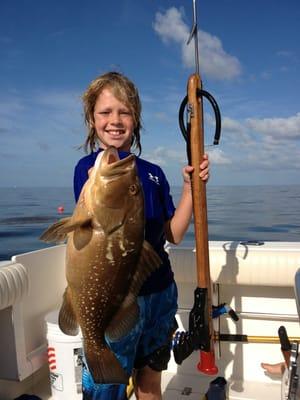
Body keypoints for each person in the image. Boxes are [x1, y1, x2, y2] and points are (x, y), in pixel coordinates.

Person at [74, 71, 210, 400]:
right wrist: (97, 185)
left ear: (135, 118)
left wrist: (192, 190)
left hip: (160, 293)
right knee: (108, 387)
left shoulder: (153, 173)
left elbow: (173, 233)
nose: (115, 121)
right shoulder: (86, 170)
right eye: (105, 112)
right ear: (92, 120)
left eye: (125, 112)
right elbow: (87, 232)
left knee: (150, 383)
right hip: (117, 299)